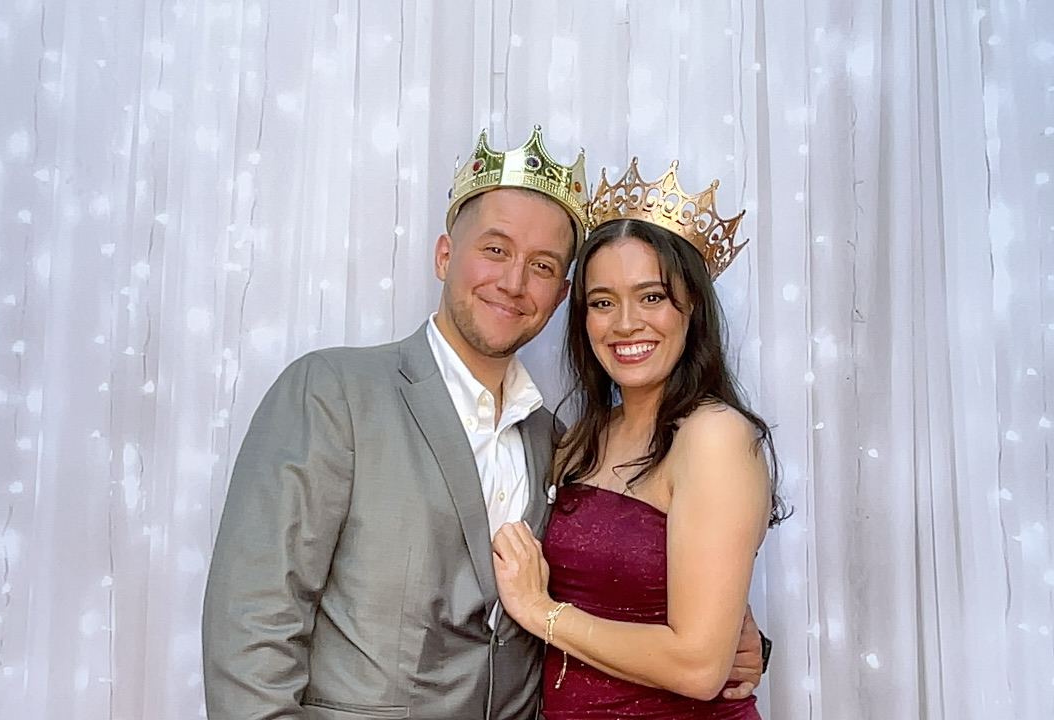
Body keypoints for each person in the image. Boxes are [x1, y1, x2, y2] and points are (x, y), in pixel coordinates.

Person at [202, 130, 767, 720]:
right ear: (445, 254)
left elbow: (636, 581)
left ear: (560, 296)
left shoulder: (553, 439)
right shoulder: (334, 394)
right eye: (495, 250)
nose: (514, 282)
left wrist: (734, 631)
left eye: (543, 265)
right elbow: (252, 627)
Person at [492, 158, 787, 719]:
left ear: (692, 305)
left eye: (651, 296)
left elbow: (699, 669)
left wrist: (541, 611)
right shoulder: (576, 441)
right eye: (603, 302)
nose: (626, 323)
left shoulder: (714, 437)